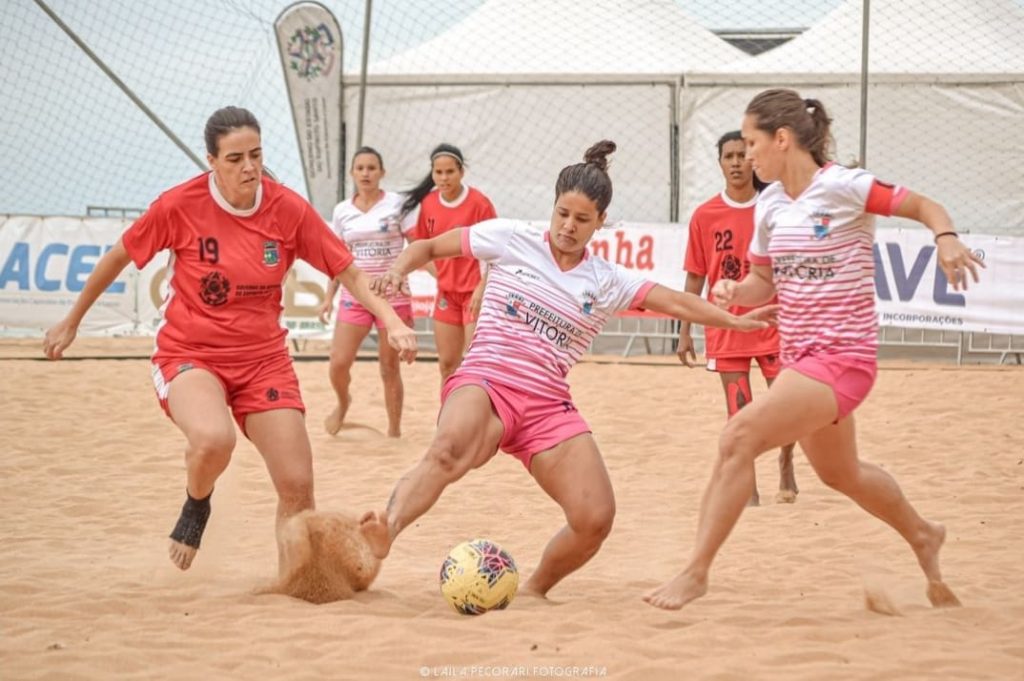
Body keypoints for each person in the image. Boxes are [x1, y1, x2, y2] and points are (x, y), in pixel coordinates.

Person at [357, 141, 777, 599]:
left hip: (546, 405)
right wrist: (399, 270)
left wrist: (733, 319)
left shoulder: (607, 280)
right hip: (487, 379)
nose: (568, 227)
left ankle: (534, 590)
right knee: (451, 450)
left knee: (596, 517)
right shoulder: (510, 237)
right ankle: (388, 528)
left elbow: (676, 300)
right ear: (552, 207)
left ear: (601, 222)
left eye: (582, 219)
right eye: (562, 214)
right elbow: (429, 246)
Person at [644, 89, 982, 611]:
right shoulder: (772, 203)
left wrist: (946, 237)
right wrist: (738, 294)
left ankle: (696, 572)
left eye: (752, 142)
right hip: (803, 360)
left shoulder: (845, 186)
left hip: (844, 360)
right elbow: (762, 278)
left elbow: (923, 205)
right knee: (840, 474)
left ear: (781, 140)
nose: (747, 154)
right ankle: (922, 533)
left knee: (738, 436)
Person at [42, 107, 417, 573]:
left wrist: (393, 322)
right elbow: (119, 256)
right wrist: (71, 320)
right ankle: (197, 504)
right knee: (214, 441)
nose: (249, 167)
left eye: (256, 155)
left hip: (264, 361)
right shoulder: (179, 205)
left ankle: (298, 583)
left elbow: (351, 273)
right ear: (212, 162)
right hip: (190, 353)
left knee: (298, 486)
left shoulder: (287, 208)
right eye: (235, 158)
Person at [679, 130, 797, 506]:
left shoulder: (775, 206)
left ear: (753, 159)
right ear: (719, 163)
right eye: (727, 156)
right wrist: (684, 331)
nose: (735, 162)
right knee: (739, 412)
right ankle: (749, 486)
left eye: (740, 154)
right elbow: (696, 275)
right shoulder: (704, 215)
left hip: (772, 324)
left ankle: (787, 461)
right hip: (726, 330)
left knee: (786, 407)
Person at [320, 147, 417, 437]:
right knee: (338, 363)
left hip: (392, 296)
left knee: (389, 368)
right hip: (355, 296)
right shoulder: (342, 211)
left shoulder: (397, 205)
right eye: (360, 168)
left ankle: (394, 432)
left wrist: (408, 274)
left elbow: (416, 246)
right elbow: (337, 259)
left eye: (371, 168)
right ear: (352, 173)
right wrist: (328, 297)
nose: (365, 173)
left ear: (382, 173)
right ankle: (342, 401)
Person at [401, 143, 497, 384]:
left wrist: (480, 288)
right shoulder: (429, 203)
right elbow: (423, 246)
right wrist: (440, 273)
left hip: (474, 295)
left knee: (475, 364)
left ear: (461, 171)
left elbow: (495, 252)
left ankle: (478, 419)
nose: (443, 178)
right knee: (447, 365)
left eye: (449, 172)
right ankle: (448, 420)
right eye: (438, 172)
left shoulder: (479, 203)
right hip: (447, 295)